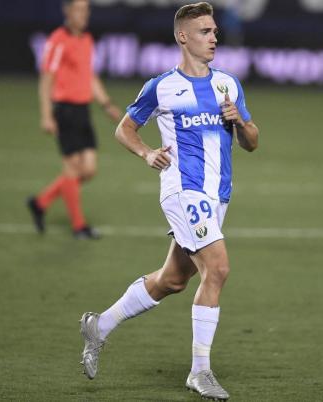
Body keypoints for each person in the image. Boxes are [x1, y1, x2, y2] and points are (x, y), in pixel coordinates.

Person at [79, 2, 259, 399]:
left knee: (173, 280)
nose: (213, 37)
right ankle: (200, 371)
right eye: (204, 32)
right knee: (218, 269)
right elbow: (125, 129)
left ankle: (99, 326)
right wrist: (146, 153)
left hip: (217, 196)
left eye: (214, 31)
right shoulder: (161, 86)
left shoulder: (227, 84)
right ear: (183, 37)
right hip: (182, 190)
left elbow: (252, 142)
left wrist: (240, 122)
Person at [27, 0, 121, 239]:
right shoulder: (58, 40)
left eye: (86, 9)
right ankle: (79, 226)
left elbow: (89, 76)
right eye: (79, 9)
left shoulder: (87, 39)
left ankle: (41, 202)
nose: (84, 14)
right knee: (71, 169)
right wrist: (46, 115)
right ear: (67, 11)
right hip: (65, 111)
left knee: (88, 169)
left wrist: (106, 104)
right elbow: (46, 78)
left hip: (83, 111)